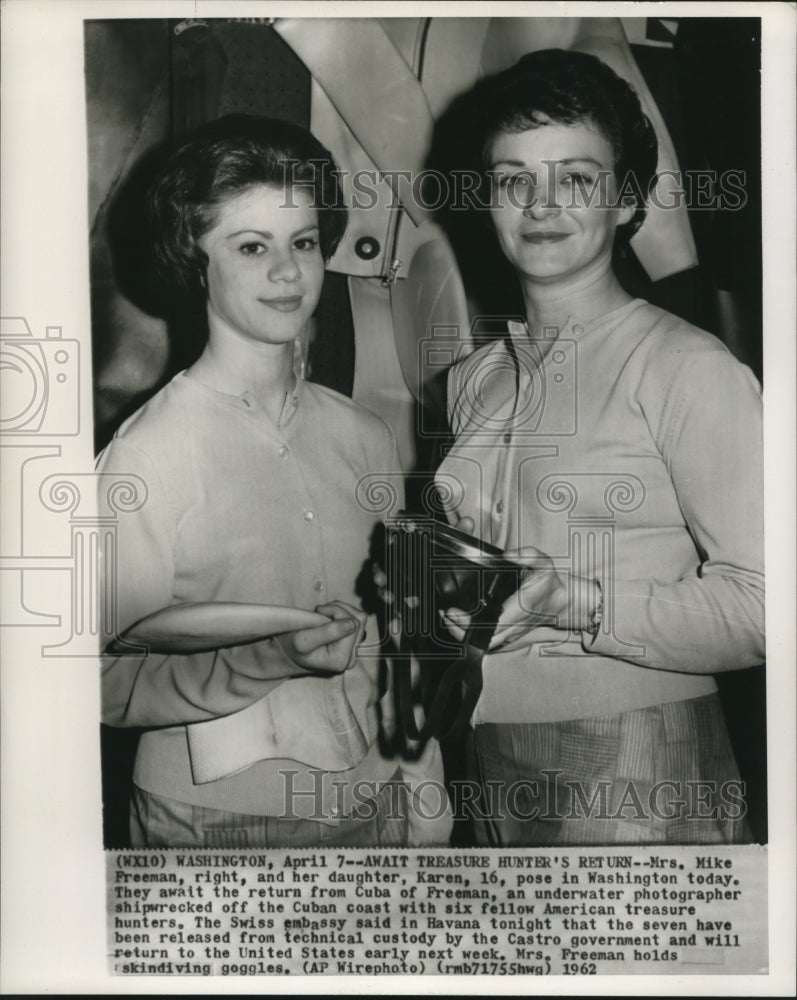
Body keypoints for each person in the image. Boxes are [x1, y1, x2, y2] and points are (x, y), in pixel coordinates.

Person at [433, 50, 764, 845]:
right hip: (486, 751)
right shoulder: (473, 379)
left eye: (576, 179)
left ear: (626, 200)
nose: (540, 205)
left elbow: (767, 608)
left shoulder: (686, 366)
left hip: (641, 759)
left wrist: (578, 604)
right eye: (513, 179)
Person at [98, 115, 450, 849]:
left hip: (377, 800)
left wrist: (425, 789)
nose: (288, 272)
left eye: (304, 243)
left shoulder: (365, 434)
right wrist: (265, 661)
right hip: (212, 820)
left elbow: (400, 633)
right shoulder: (146, 455)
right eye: (252, 246)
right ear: (194, 260)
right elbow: (98, 683)